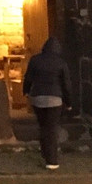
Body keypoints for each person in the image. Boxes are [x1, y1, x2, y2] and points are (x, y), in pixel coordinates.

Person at [22, 37, 73, 170]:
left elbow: (28, 77)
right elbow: (66, 85)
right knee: (51, 129)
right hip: (55, 99)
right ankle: (52, 160)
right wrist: (69, 102)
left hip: (38, 97)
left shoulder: (35, 60)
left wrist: (26, 91)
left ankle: (45, 153)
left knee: (43, 126)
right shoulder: (61, 63)